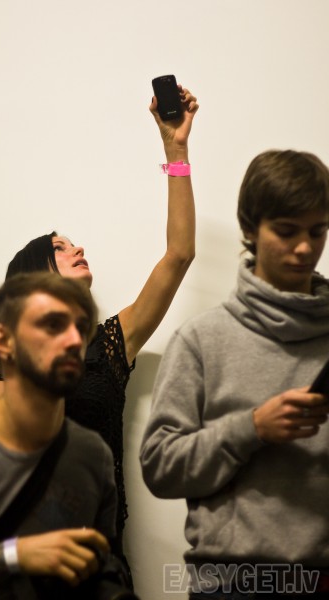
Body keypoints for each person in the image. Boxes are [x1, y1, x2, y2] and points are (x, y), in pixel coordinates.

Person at [0, 84, 199, 570]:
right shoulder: (0, 351)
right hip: (27, 559)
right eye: (60, 247)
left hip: (102, 558)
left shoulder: (111, 343)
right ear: (34, 274)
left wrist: (175, 150)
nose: (77, 248)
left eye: (72, 243)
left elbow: (179, 255)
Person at [140, 149, 329, 599]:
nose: (305, 248)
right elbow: (160, 467)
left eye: (318, 231)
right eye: (286, 231)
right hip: (234, 584)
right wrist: (252, 428)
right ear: (249, 229)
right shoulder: (202, 340)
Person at [0, 272, 139, 600]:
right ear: (2, 341)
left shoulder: (93, 454)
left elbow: (100, 568)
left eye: (82, 328)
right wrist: (12, 557)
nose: (74, 340)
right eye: (53, 325)